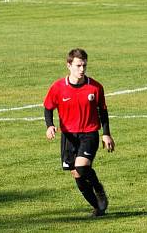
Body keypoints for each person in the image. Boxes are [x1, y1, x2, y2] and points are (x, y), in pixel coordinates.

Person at [44, 48, 115, 217]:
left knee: (81, 167)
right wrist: (50, 125)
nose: (82, 69)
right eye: (78, 65)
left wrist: (106, 133)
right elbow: (48, 107)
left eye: (84, 65)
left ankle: (99, 189)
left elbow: (103, 111)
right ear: (69, 65)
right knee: (76, 174)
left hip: (89, 133)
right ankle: (98, 207)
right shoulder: (58, 87)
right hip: (68, 136)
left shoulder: (95, 87)